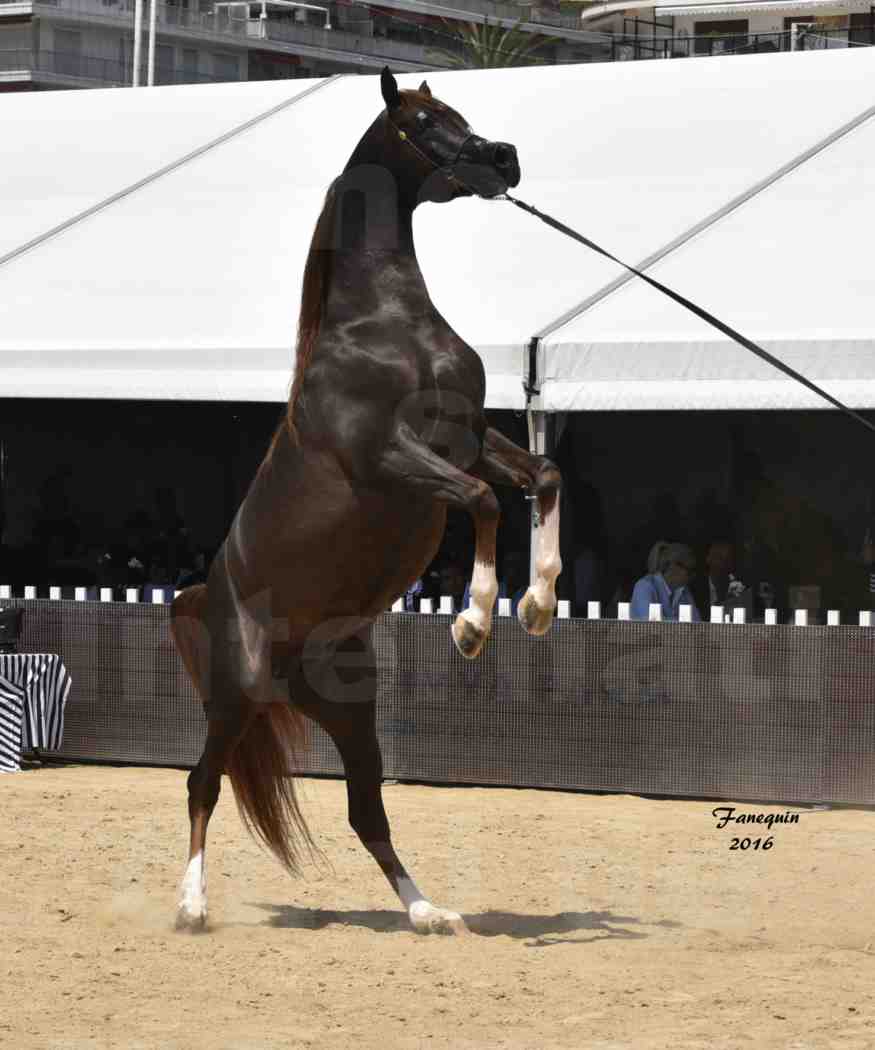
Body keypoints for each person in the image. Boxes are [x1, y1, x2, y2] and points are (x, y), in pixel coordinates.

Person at [630, 542, 700, 621]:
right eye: (689, 571)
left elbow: (697, 624)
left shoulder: (684, 592)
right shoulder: (644, 586)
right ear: (674, 566)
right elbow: (651, 625)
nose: (692, 577)